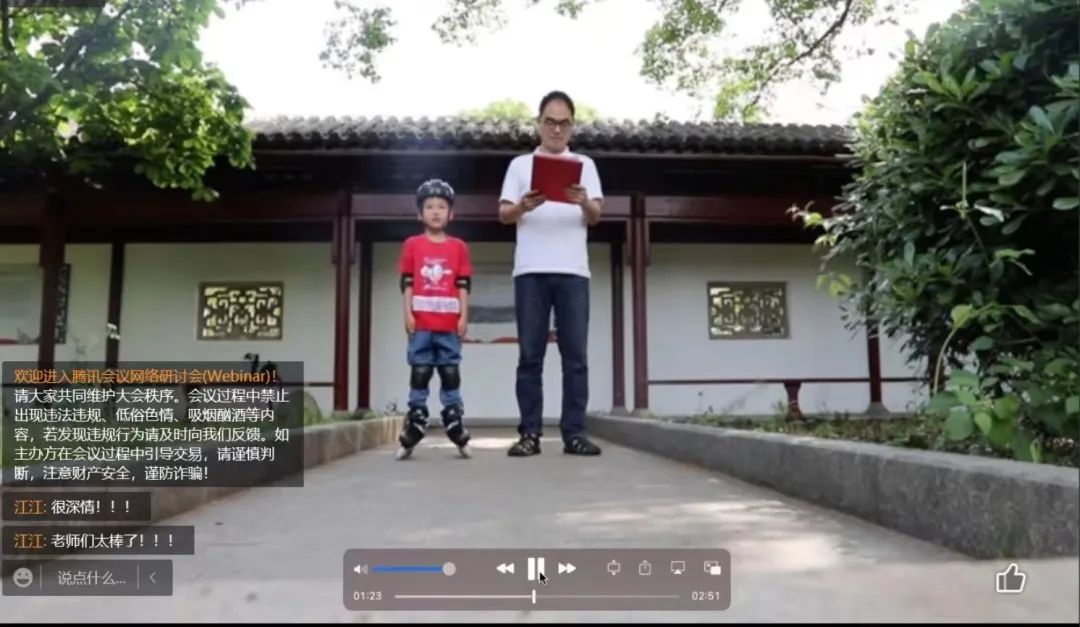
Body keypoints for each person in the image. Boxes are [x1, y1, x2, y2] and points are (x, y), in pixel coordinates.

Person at [497, 90, 604, 457]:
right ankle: (529, 434)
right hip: (531, 271)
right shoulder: (520, 165)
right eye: (550, 122)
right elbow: (503, 214)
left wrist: (583, 200)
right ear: (538, 124)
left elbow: (596, 216)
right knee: (530, 357)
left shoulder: (585, 165)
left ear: (572, 127)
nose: (557, 129)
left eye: (564, 123)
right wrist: (523, 206)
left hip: (573, 272)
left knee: (576, 358)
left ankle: (574, 433)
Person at [396, 178, 474, 460]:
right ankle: (416, 419)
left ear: (451, 213)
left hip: (449, 324)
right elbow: (407, 282)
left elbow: (463, 284)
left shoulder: (459, 247)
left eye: (441, 206)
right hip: (421, 323)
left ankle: (454, 419)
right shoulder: (412, 245)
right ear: (420, 214)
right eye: (429, 206)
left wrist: (464, 315)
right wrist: (407, 313)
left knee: (450, 371)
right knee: (420, 371)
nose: (436, 211)